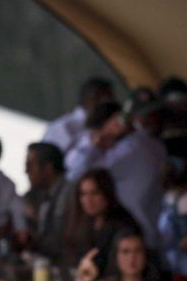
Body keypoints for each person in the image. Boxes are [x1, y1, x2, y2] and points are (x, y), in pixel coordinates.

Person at [68, 100, 166, 239]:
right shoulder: (149, 144)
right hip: (142, 232)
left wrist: (101, 137)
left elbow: (76, 175)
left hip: (135, 234)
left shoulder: (132, 147)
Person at [60, 167, 141, 268]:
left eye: (94, 193)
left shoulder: (123, 225)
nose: (88, 200)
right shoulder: (82, 222)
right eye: (83, 194)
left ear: (106, 194)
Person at [19, 141, 73, 262]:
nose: (26, 171)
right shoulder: (38, 194)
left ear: (48, 168)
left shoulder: (71, 195)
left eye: (30, 165)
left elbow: (61, 241)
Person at [43, 76, 115, 155]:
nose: (110, 108)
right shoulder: (63, 127)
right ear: (93, 99)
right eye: (106, 102)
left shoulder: (106, 126)